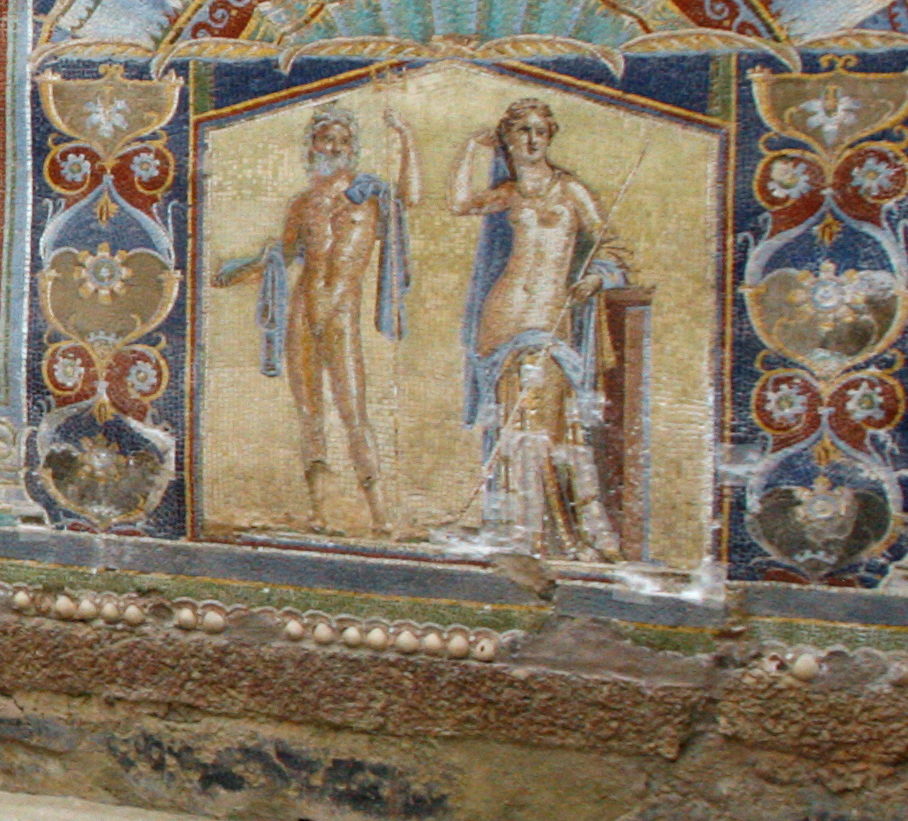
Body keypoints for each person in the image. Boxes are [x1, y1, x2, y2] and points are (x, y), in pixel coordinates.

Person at [449, 95, 629, 559]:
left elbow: (613, 243)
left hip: (548, 315)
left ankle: (541, 534)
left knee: (542, 425)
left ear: (550, 137)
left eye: (540, 131)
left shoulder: (571, 190)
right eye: (522, 131)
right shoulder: (508, 192)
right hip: (503, 315)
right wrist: (471, 147)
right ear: (508, 139)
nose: (532, 139)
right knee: (510, 428)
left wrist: (598, 275)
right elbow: (459, 203)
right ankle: (515, 533)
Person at [215, 106, 408, 531]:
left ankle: (380, 517)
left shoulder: (370, 194)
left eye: (343, 140)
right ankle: (324, 511)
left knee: (354, 411)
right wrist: (239, 272)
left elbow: (408, 200)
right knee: (310, 414)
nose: (334, 147)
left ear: (352, 149)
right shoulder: (302, 205)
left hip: (340, 311)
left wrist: (406, 139)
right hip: (303, 308)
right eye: (326, 139)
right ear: (312, 146)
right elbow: (283, 257)